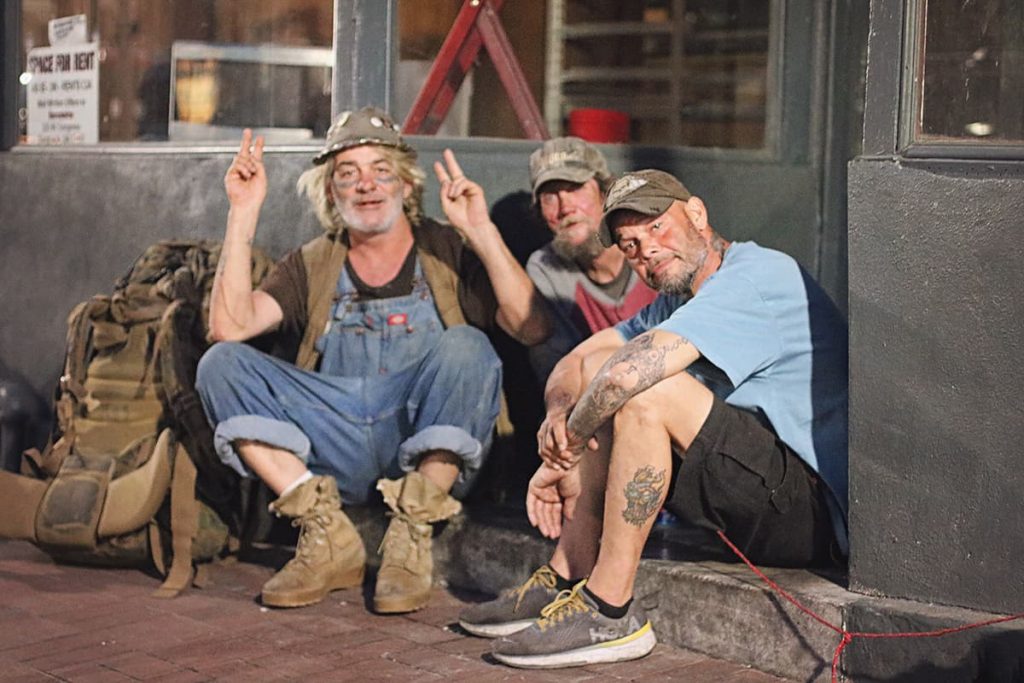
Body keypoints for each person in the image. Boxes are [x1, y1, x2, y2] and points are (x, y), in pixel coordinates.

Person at [459, 169, 849, 669]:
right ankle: (568, 571)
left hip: (809, 509)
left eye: (657, 228)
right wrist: (559, 413)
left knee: (644, 388)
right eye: (629, 243)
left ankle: (609, 611)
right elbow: (578, 362)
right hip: (752, 496)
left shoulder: (756, 276)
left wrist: (564, 452)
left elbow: (625, 379)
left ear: (698, 216)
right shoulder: (674, 301)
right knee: (604, 377)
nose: (644, 249)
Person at [195, 107, 549, 614]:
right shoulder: (313, 262)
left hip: (423, 445)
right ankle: (324, 530)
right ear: (331, 193)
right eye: (347, 174)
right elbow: (228, 328)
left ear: (407, 185)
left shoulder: (445, 250)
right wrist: (242, 212)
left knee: (469, 347)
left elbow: (533, 328)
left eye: (381, 170)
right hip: (332, 443)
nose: (366, 185)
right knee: (221, 364)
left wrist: (481, 231)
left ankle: (411, 534)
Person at [525, 137, 657, 382]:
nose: (565, 207)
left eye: (575, 188)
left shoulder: (652, 247)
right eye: (550, 197)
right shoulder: (546, 268)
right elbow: (561, 370)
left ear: (605, 194)